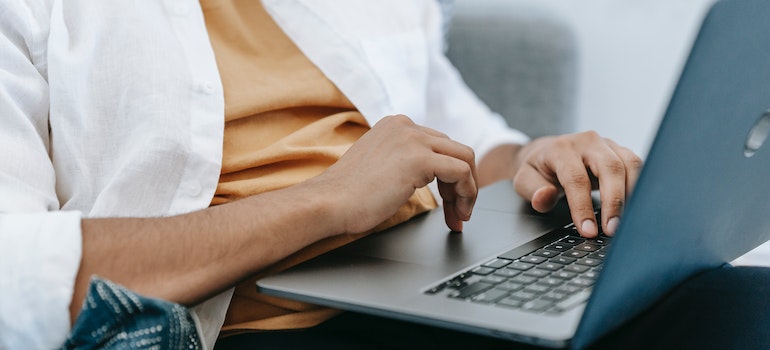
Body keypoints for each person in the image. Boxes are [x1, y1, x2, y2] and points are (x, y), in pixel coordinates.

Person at [0, 1, 644, 349]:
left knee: (729, 305)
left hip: (439, 291)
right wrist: (328, 201)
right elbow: (17, 277)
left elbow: (473, 141)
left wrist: (543, 162)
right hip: (270, 329)